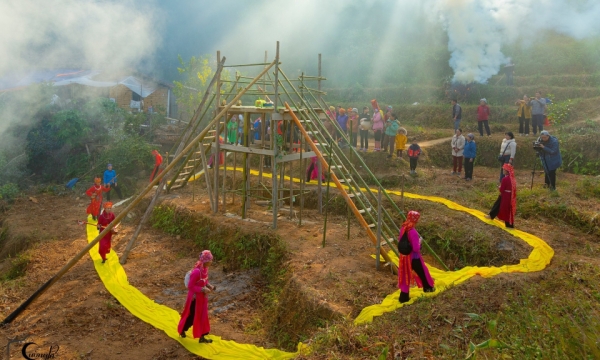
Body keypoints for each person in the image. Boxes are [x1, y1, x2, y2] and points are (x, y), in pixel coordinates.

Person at [178, 250, 216, 343]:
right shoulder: (196, 272)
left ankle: (202, 337)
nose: (211, 262)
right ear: (205, 261)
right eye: (210, 260)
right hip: (195, 299)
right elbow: (191, 286)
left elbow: (204, 281)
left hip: (202, 298)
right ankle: (182, 330)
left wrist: (209, 286)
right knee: (192, 316)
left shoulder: (205, 269)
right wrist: (202, 289)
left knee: (203, 316)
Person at [397, 210, 435, 303]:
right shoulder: (413, 231)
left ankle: (403, 297)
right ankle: (428, 288)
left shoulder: (403, 228)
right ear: (416, 220)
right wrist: (419, 242)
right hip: (414, 258)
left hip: (404, 257)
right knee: (423, 271)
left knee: (405, 275)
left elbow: (400, 240)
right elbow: (416, 248)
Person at [485, 164, 516, 228]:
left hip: (504, 196)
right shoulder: (513, 179)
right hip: (510, 196)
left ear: (506, 171)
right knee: (501, 206)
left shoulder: (505, 179)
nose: (503, 170)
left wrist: (499, 187)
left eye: (504, 169)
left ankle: (509, 225)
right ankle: (491, 215)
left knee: (503, 208)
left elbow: (502, 189)